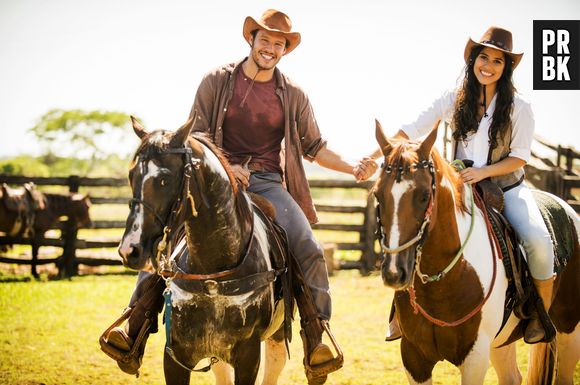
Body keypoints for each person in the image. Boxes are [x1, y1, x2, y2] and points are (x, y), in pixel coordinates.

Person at [101, 9, 377, 383]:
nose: (271, 48)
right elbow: (194, 138)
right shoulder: (216, 81)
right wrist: (229, 166)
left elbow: (315, 145)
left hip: (267, 184)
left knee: (308, 247)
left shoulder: (292, 93)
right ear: (251, 40)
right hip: (212, 184)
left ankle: (317, 334)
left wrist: (353, 167)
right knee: (168, 237)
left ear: (285, 49)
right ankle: (133, 324)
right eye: (265, 40)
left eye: (279, 43)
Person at [377, 26, 555, 344]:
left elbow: (519, 158)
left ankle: (539, 313)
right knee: (415, 231)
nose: (487, 65)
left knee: (538, 241)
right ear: (473, 59)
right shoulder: (454, 99)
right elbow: (414, 126)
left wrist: (484, 173)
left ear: (507, 68)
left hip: (507, 188)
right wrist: (374, 155)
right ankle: (400, 314)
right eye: (483, 57)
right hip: (460, 187)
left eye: (497, 61)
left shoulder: (519, 108)